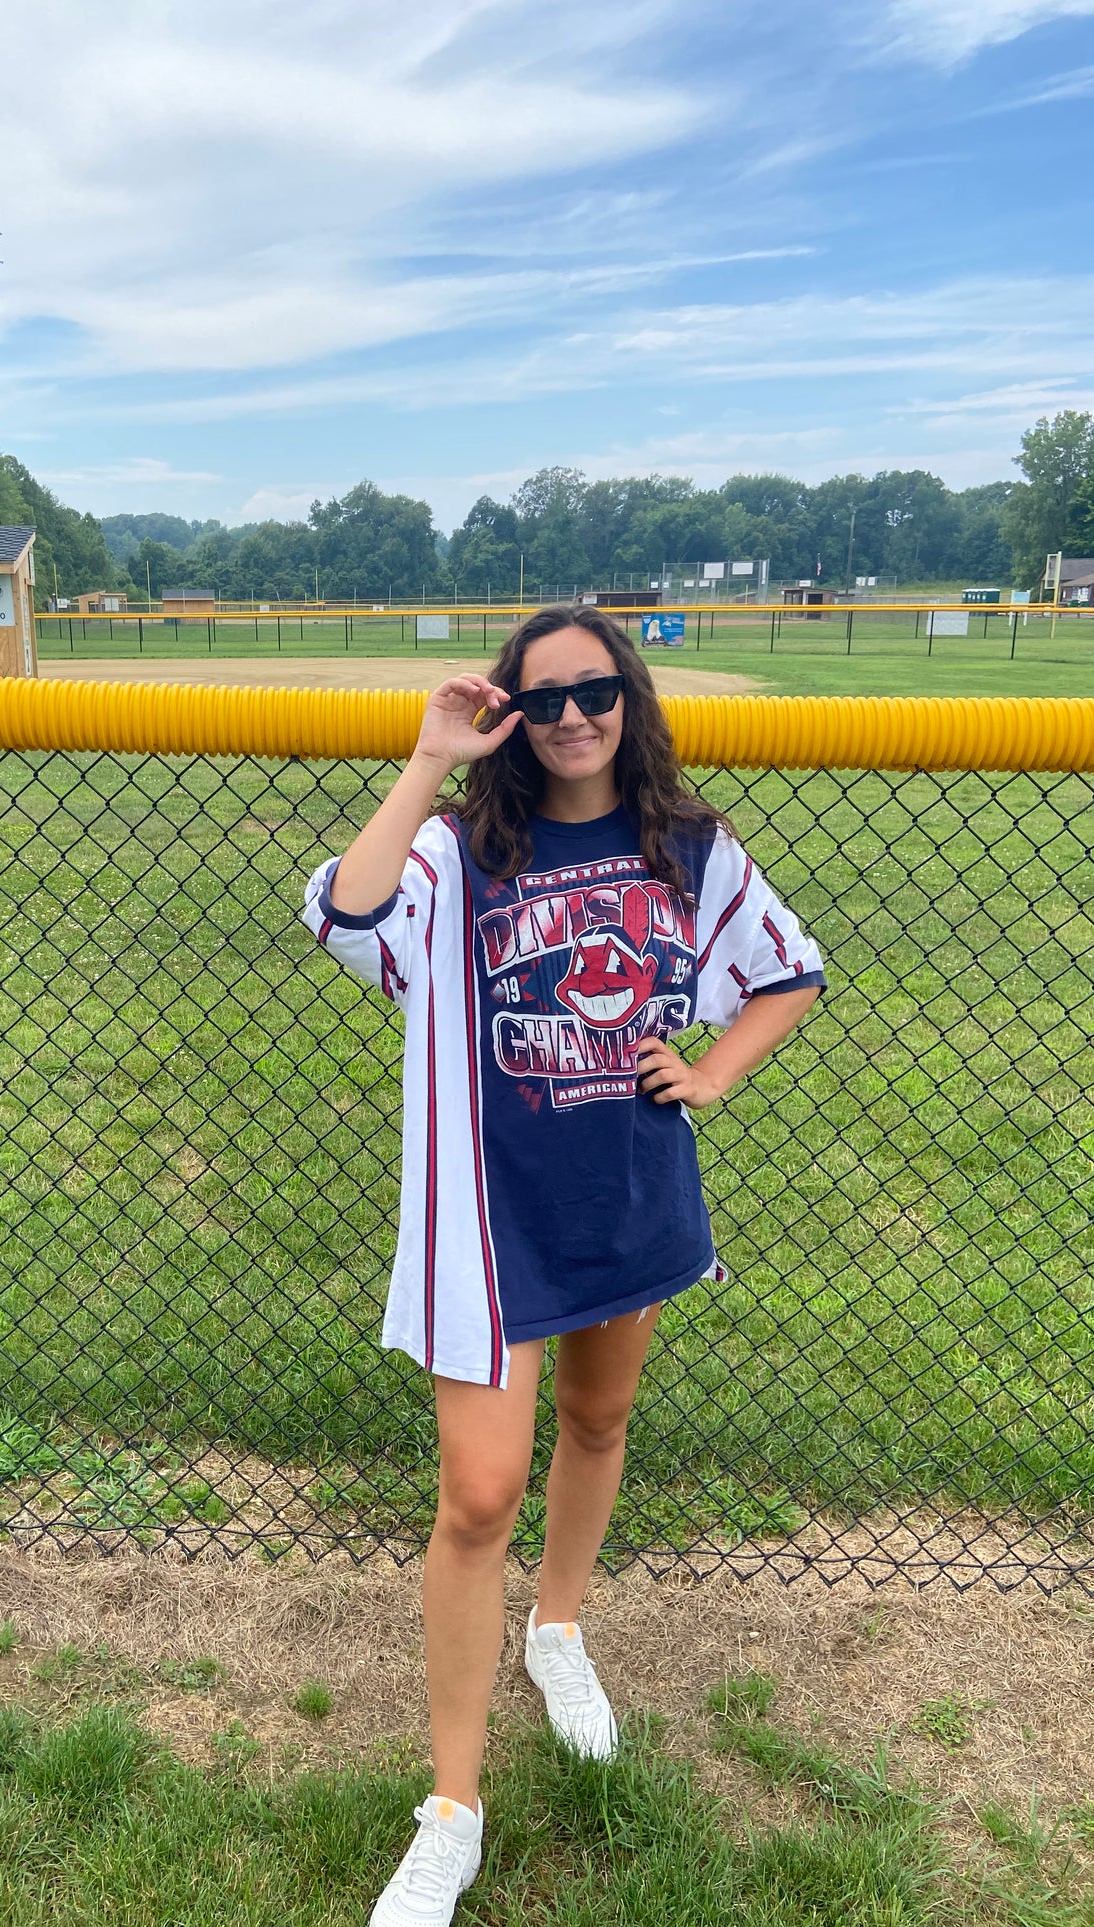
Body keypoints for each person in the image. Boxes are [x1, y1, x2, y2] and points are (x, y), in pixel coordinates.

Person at [302, 606, 825, 1927]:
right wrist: (427, 758)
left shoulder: (690, 850)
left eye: (597, 689)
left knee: (598, 1420)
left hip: (629, 1195)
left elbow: (787, 973)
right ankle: (452, 1809)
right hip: (487, 1215)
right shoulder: (459, 849)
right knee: (477, 1498)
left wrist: (708, 1072)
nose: (577, 714)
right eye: (546, 698)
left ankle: (559, 1632)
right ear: (512, 718)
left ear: (627, 696)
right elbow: (345, 917)